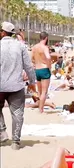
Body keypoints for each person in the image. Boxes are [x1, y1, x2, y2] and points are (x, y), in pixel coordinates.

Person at [0, 21, 36, 150]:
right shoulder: (20, 46)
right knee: (17, 114)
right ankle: (15, 141)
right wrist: (32, 83)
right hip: (16, 85)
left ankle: (2, 131)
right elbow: (29, 67)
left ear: (3, 32)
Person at [31, 32, 53, 113]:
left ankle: (40, 108)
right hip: (44, 69)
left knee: (40, 91)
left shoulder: (34, 47)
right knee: (44, 92)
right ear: (46, 38)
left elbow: (31, 59)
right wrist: (49, 66)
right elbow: (48, 57)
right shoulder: (45, 47)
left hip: (37, 69)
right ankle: (41, 109)